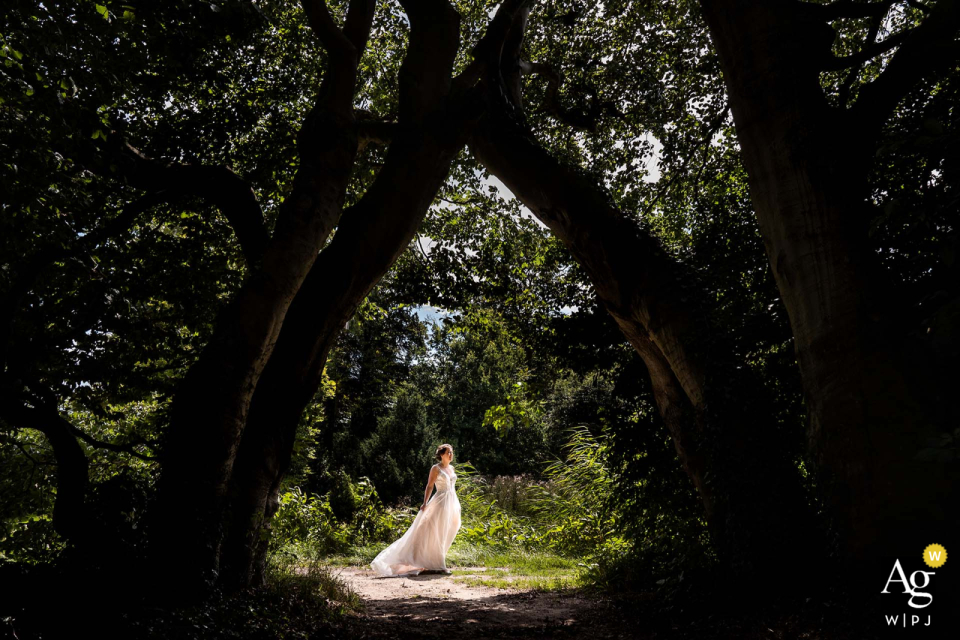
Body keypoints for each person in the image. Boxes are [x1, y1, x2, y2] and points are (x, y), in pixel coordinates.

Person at [370, 443, 462, 577]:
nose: (451, 455)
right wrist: (425, 502)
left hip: (451, 502)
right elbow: (430, 486)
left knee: (450, 529)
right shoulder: (436, 468)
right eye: (448, 452)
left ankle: (433, 562)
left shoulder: (452, 468)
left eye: (451, 452)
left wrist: (456, 505)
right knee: (438, 532)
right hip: (440, 503)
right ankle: (439, 565)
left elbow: (452, 488)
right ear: (441, 454)